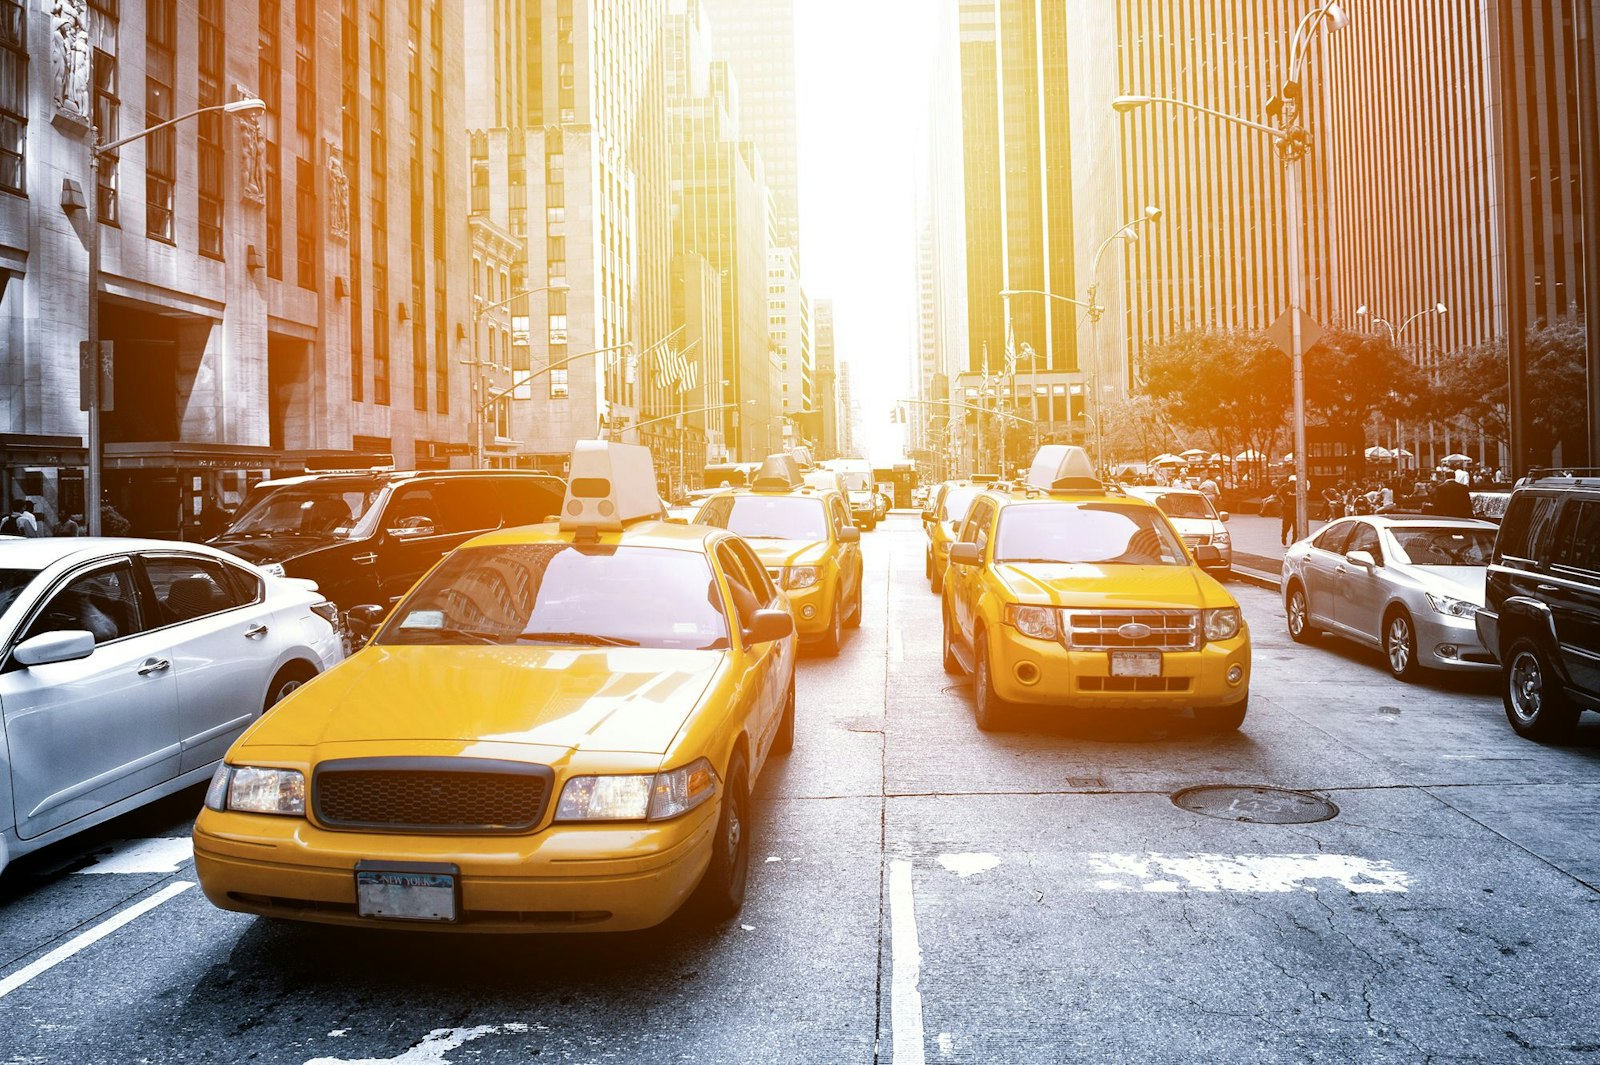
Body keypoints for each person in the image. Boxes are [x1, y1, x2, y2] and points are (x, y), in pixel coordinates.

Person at [1276, 478, 1297, 546]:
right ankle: (1284, 535)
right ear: (1290, 482)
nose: (1294, 483)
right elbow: (1278, 493)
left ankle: (1294, 539)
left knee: (1295, 525)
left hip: (1296, 508)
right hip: (1287, 507)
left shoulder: (1299, 487)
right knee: (1286, 524)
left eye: (1295, 482)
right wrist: (1283, 501)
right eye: (1293, 482)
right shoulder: (1284, 486)